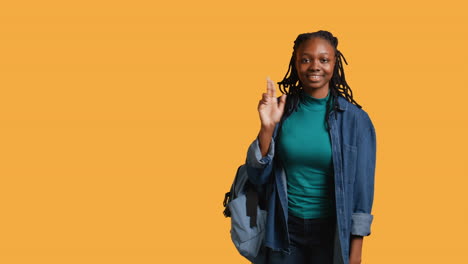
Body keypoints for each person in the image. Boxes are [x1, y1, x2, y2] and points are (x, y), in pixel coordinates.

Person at [245, 30, 377, 264]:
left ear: (335, 63)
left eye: (323, 59)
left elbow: (362, 189)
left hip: (331, 232)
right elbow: (257, 177)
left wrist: (355, 253)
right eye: (306, 59)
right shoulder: (280, 111)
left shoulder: (356, 120)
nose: (314, 66)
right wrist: (267, 127)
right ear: (296, 64)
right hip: (284, 229)